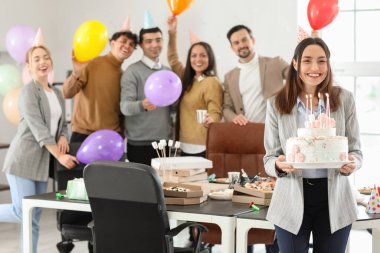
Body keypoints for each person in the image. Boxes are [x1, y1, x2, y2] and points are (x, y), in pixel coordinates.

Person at [264, 37, 362, 253]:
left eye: (322, 61)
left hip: (334, 199)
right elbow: (269, 158)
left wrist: (353, 163)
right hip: (290, 197)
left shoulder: (344, 99)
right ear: (295, 63)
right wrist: (278, 166)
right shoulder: (276, 103)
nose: (315, 68)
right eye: (307, 60)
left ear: (328, 64)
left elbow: (356, 151)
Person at [0, 45, 78, 253]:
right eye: (36, 59)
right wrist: (60, 156)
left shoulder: (58, 94)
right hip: (23, 159)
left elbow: (62, 125)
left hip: (41, 163)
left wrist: (63, 135)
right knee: (21, 211)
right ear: (29, 66)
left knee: (32, 216)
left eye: (46, 57)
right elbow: (38, 129)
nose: (42, 62)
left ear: (51, 61)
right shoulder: (27, 92)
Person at [63, 30, 138, 143]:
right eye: (123, 41)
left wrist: (121, 136)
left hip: (111, 138)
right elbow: (66, 93)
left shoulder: (125, 76)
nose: (127, 46)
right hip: (83, 135)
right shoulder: (92, 63)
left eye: (132, 44)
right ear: (112, 43)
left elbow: (121, 111)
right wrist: (76, 74)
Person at [167, 16, 222, 157]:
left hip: (202, 144)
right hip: (184, 143)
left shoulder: (211, 82)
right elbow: (173, 60)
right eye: (194, 55)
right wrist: (172, 33)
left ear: (209, 58)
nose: (198, 59)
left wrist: (213, 119)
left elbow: (215, 110)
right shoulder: (187, 78)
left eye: (203, 55)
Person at [120, 25, 175, 165]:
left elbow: (173, 108)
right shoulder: (132, 72)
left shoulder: (168, 72)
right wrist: (142, 104)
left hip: (164, 142)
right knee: (140, 186)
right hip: (139, 144)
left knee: (165, 185)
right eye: (149, 41)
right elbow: (124, 107)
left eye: (158, 40)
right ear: (141, 45)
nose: (154, 45)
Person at [223, 25, 288, 125]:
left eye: (244, 40)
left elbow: (299, 76)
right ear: (232, 47)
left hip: (276, 129)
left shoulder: (276, 63)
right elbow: (226, 108)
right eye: (236, 43)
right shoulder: (229, 77)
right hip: (246, 132)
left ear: (253, 40)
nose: (241, 45)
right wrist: (234, 117)